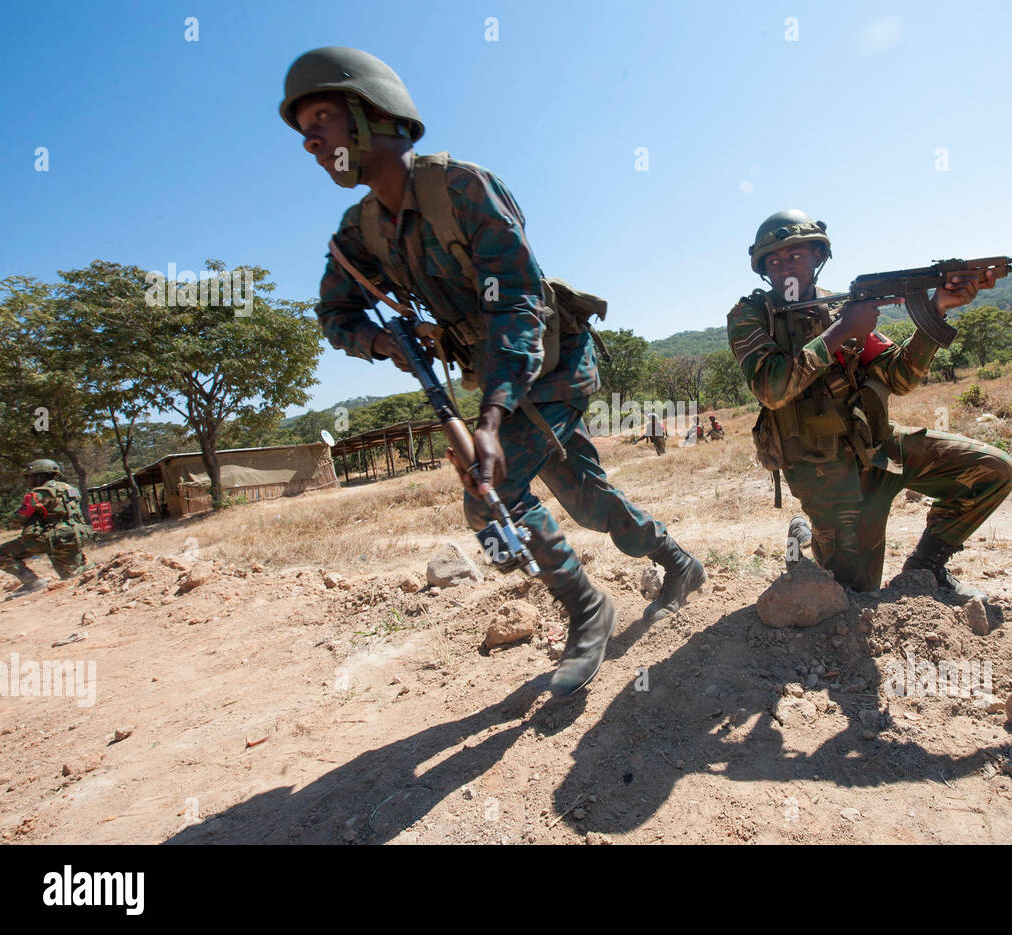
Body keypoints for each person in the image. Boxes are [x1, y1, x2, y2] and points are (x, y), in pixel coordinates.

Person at [280, 47, 705, 696]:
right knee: (587, 502)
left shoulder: (463, 189)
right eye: (303, 128)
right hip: (497, 385)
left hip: (555, 365)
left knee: (492, 493)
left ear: (371, 111)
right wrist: (384, 343)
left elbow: (520, 306)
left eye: (321, 117)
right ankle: (676, 561)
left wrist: (491, 419)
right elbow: (334, 311)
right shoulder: (360, 231)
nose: (310, 141)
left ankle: (587, 607)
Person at [726, 210, 1012, 599]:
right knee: (851, 596)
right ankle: (805, 542)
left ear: (817, 257)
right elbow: (771, 389)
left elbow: (900, 377)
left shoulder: (841, 306)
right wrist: (844, 328)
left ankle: (926, 568)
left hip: (880, 450)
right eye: (774, 261)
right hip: (826, 476)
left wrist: (935, 310)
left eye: (795, 256)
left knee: (993, 471)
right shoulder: (751, 314)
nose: (784, 268)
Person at [0, 459, 94, 600]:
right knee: (74, 575)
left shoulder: (40, 493)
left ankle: (33, 583)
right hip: (75, 535)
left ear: (39, 475)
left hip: (50, 538)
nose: (27, 480)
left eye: (28, 476)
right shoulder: (69, 488)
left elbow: (17, 519)